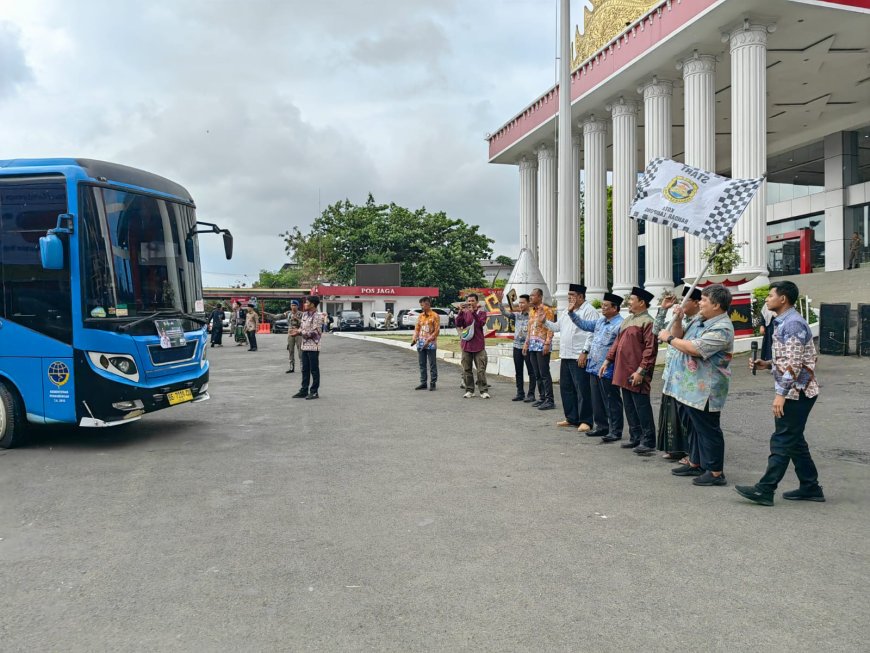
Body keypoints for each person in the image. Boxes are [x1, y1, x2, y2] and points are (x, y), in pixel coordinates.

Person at [736, 281, 825, 506]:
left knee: (783, 439)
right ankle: (810, 486)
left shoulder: (793, 324)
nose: (766, 299)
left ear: (783, 299)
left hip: (798, 392)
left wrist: (781, 394)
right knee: (794, 441)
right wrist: (767, 364)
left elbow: (795, 364)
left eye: (770, 295)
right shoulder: (783, 322)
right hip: (797, 390)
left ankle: (765, 489)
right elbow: (789, 359)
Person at [659, 284, 734, 487]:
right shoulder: (700, 320)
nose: (700, 303)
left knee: (708, 429)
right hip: (688, 386)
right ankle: (696, 461)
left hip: (706, 389)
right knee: (692, 427)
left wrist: (669, 338)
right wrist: (678, 320)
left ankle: (715, 471)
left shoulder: (722, 328)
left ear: (717, 305)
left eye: (704, 300)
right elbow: (682, 336)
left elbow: (694, 348)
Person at [601, 287, 658, 453]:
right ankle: (635, 437)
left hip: (637, 372)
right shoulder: (627, 320)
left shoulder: (648, 322)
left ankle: (648, 441)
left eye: (632, 299)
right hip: (623, 370)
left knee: (641, 406)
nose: (628, 302)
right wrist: (607, 360)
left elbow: (650, 350)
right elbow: (617, 343)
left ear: (641, 302)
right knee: (629, 406)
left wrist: (641, 371)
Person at [566, 292, 625, 443]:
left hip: (608, 368)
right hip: (593, 366)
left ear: (615, 308)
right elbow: (584, 325)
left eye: (606, 306)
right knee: (596, 399)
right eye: (602, 306)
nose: (603, 308)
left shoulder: (620, 325)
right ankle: (601, 426)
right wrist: (571, 312)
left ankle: (615, 430)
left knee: (611, 400)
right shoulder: (600, 322)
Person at [541, 284, 600, 431]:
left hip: (578, 355)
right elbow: (557, 327)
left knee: (582, 389)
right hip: (566, 354)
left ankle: (586, 420)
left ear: (580, 296)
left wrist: (585, 352)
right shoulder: (567, 311)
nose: (569, 299)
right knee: (566, 388)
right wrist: (544, 322)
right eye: (568, 297)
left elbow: (592, 333)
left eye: (572, 296)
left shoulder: (589, 311)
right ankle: (571, 417)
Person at [653, 286, 702, 461]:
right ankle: (676, 449)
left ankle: (692, 454)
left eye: (686, 300)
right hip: (672, 375)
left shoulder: (698, 322)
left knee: (687, 419)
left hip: (686, 378)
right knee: (672, 415)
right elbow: (657, 333)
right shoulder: (680, 319)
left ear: (697, 303)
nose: (681, 303)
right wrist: (664, 310)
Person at [524, 288, 555, 410]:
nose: (531, 297)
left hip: (542, 345)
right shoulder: (532, 311)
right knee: (537, 374)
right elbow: (530, 328)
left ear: (540, 297)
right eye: (530, 295)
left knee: (544, 373)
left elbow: (550, 328)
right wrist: (526, 343)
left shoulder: (547, 310)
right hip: (532, 345)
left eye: (533, 295)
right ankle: (542, 398)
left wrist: (547, 343)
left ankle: (550, 400)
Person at [455, 293, 490, 398]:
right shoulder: (465, 313)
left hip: (479, 345)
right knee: (467, 369)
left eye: (472, 301)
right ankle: (469, 389)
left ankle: (483, 390)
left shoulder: (482, 312)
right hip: (466, 345)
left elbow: (480, 324)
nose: (470, 303)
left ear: (477, 302)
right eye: (468, 301)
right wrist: (460, 312)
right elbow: (458, 323)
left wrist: (473, 313)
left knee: (481, 370)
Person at [503, 294, 536, 402]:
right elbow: (505, 313)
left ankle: (531, 394)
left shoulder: (532, 315)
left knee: (531, 371)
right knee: (518, 371)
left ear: (528, 303)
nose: (520, 305)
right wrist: (499, 303)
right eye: (519, 303)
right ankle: (520, 393)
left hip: (528, 347)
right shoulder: (517, 315)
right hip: (517, 346)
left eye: (523, 302)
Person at [291, 296, 324, 400]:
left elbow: (316, 332)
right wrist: (297, 330)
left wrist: (300, 332)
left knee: (314, 370)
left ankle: (314, 392)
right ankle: (304, 390)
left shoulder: (318, 316)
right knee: (305, 369)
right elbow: (302, 326)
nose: (304, 304)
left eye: (307, 303)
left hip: (313, 346)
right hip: (304, 345)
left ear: (313, 304)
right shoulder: (305, 314)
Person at [412, 296, 439, 391]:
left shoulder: (435, 316)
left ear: (428, 304)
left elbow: (437, 331)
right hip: (420, 343)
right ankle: (423, 382)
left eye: (422, 305)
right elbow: (417, 328)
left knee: (432, 364)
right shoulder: (420, 316)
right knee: (422, 363)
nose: (421, 307)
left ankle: (433, 383)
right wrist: (414, 337)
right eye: (421, 305)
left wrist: (429, 340)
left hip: (431, 344)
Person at [285, 301, 303, 373]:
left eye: (295, 305)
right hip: (290, 334)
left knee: (300, 351)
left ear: (298, 306)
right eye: (292, 305)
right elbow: (278, 316)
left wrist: (297, 319)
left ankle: (302, 367)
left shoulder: (301, 314)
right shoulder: (288, 314)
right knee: (290, 350)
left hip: (298, 334)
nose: (293, 307)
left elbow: (304, 323)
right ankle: (291, 367)